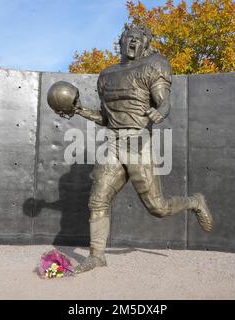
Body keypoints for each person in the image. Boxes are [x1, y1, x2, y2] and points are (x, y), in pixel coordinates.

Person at [72, 25, 213, 274]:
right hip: (113, 142)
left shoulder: (155, 64)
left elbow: (163, 100)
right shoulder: (106, 74)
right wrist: (80, 110)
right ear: (121, 41)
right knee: (97, 200)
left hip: (138, 142)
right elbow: (106, 117)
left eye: (138, 39)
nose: (133, 43)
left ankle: (194, 202)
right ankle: (97, 256)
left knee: (157, 207)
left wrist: (161, 111)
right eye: (129, 39)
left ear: (145, 43)